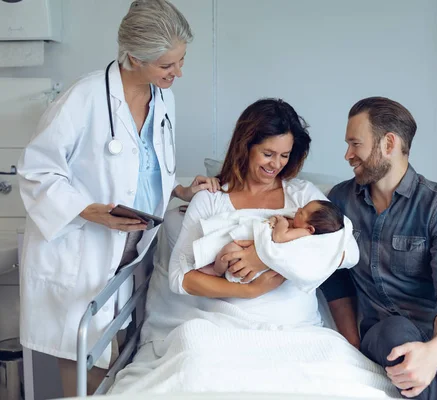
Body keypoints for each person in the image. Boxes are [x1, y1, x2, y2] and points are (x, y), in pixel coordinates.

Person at [17, 0, 218, 396]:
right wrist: (90, 211)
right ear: (131, 57)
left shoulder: (163, 99)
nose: (178, 72)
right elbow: (37, 172)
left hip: (132, 241)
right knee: (86, 358)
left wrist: (179, 189)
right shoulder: (83, 98)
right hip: (81, 246)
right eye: (167, 65)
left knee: (117, 350)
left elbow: (143, 167)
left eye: (180, 61)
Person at [320, 96, 437, 400]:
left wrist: (436, 351)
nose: (347, 155)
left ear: (388, 144)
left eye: (355, 144)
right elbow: (333, 276)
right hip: (387, 332)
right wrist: (350, 341)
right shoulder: (340, 202)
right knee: (397, 335)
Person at [167, 98, 357, 326]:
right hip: (224, 324)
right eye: (268, 154)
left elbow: (349, 252)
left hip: (296, 327)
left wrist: (264, 257)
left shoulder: (303, 196)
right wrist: (251, 290)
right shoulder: (211, 198)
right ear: (245, 147)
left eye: (284, 155)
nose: (276, 164)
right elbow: (180, 278)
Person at [194, 199, 345, 280]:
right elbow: (273, 219)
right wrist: (274, 220)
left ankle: (216, 272)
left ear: (310, 229)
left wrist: (282, 223)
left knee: (228, 251)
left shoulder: (303, 234)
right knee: (228, 248)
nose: (298, 210)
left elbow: (279, 237)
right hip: (253, 246)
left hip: (262, 257)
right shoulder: (301, 226)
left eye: (302, 213)